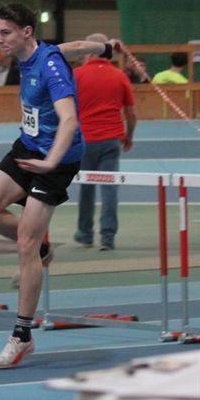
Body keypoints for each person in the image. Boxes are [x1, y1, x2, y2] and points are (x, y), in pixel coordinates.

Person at [0, 3, 116, 369]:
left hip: (57, 159)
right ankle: (43, 248)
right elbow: (76, 46)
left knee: (25, 244)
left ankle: (22, 336)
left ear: (26, 32)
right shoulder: (35, 52)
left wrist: (50, 162)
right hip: (28, 147)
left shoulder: (52, 71)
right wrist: (106, 48)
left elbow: (69, 121)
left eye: (5, 32)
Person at [73, 33, 136, 251]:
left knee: (86, 187)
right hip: (111, 140)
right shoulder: (120, 76)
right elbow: (131, 113)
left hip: (85, 139)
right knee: (110, 188)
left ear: (89, 52)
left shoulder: (76, 75)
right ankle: (107, 237)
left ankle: (85, 233)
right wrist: (129, 135)